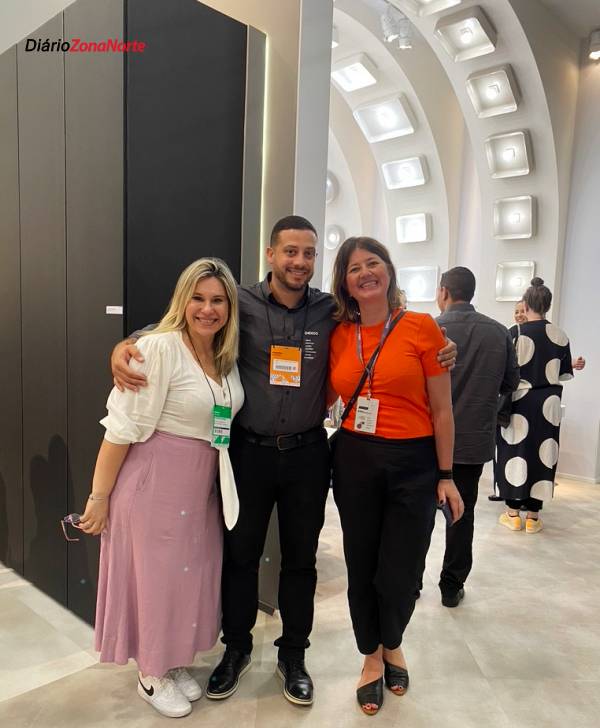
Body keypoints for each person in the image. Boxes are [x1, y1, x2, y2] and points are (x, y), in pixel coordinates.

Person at [111, 216, 458, 707]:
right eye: (290, 251)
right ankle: (236, 649)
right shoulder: (240, 302)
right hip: (248, 451)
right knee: (240, 557)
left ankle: (293, 656)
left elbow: (386, 326)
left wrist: (445, 346)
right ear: (270, 254)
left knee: (301, 561)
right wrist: (127, 343)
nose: (299, 261)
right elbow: (185, 324)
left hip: (308, 455)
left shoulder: (330, 309)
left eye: (309, 253)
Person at [78, 258, 244, 718]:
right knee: (154, 579)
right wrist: (99, 497)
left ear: (230, 307)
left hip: (200, 486)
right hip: (155, 485)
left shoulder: (224, 356)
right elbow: (120, 429)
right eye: (198, 298)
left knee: (183, 579)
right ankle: (150, 674)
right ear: (182, 301)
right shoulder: (159, 348)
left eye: (218, 300)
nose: (207, 309)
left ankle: (169, 660)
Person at [328, 237, 464, 716]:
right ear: (344, 282)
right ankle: (372, 655)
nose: (365, 273)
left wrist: (446, 474)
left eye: (373, 263)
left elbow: (443, 410)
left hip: (414, 462)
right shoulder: (337, 333)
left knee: (402, 570)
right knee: (361, 564)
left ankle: (394, 641)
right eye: (354, 268)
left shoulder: (422, 328)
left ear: (388, 271)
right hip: (355, 459)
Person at [429, 267, 519, 607]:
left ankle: (410, 584)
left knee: (417, 514)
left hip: (426, 440)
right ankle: (451, 586)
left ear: (443, 292)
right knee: (460, 513)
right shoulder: (498, 332)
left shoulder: (430, 329)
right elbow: (511, 383)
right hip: (471, 441)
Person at [496, 277, 573, 533]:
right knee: (543, 453)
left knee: (514, 451)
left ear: (526, 305)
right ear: (547, 306)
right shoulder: (560, 335)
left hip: (520, 400)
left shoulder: (515, 332)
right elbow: (564, 374)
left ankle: (512, 514)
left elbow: (503, 372)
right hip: (549, 402)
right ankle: (533, 517)